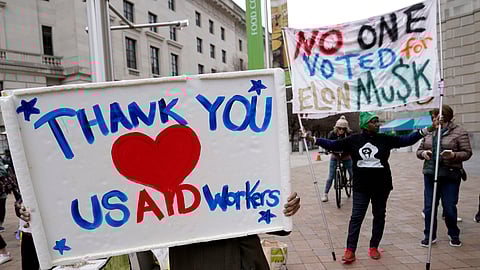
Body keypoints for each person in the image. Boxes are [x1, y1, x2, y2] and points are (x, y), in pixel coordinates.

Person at [308, 112, 432, 263]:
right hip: (361, 187)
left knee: (379, 216)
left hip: (382, 186)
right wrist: (313, 139)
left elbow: (406, 140)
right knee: (356, 218)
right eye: (374, 122)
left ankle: (374, 246)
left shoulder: (384, 139)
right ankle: (350, 250)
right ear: (366, 124)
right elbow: (333, 145)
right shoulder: (354, 140)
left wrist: (428, 129)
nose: (377, 124)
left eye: (378, 121)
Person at [169, 192, 301, 270]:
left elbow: (274, 220)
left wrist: (281, 209)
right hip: (191, 258)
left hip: (242, 259)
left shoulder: (239, 155)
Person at [416, 105, 472, 247]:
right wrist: (423, 154)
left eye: (437, 116)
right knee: (429, 207)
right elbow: (419, 150)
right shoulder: (430, 131)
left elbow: (467, 152)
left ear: (445, 116)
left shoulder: (459, 132)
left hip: (450, 174)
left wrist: (453, 155)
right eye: (433, 117)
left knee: (449, 207)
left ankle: (453, 233)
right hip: (430, 173)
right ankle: (429, 235)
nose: (435, 119)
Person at [321, 115, 353, 202]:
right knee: (330, 176)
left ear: (346, 129)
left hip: (346, 156)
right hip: (335, 156)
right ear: (336, 128)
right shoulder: (332, 134)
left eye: (344, 129)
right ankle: (325, 194)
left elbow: (352, 144)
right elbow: (328, 143)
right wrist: (327, 150)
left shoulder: (349, 134)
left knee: (353, 173)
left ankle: (355, 189)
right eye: (339, 128)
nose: (341, 130)